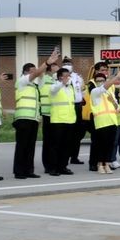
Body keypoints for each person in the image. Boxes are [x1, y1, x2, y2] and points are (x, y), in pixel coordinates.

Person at [13, 50, 59, 179]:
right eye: (33, 71)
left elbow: (37, 101)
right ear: (27, 71)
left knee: (30, 146)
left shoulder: (34, 86)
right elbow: (39, 72)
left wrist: (38, 118)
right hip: (22, 118)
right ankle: (19, 171)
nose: (36, 73)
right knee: (22, 146)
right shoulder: (21, 81)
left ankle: (29, 170)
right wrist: (47, 62)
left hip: (32, 118)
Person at [45, 67, 78, 176]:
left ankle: (63, 166)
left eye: (69, 76)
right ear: (60, 77)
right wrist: (62, 83)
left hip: (70, 120)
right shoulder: (54, 86)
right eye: (66, 76)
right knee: (55, 146)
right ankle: (52, 168)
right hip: (58, 120)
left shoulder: (70, 88)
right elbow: (54, 90)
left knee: (67, 146)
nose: (68, 77)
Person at [89, 71, 120, 174]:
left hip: (112, 121)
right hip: (101, 122)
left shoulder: (110, 92)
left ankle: (107, 164)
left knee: (110, 144)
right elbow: (103, 88)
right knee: (101, 144)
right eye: (98, 81)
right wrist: (116, 77)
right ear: (95, 82)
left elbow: (118, 108)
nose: (100, 82)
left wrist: (113, 102)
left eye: (102, 80)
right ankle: (100, 164)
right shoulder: (95, 91)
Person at [60, 57, 86, 166]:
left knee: (77, 133)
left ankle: (74, 156)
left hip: (78, 106)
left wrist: (83, 98)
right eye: (65, 63)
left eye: (69, 63)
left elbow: (82, 88)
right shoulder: (60, 76)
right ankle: (64, 156)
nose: (67, 65)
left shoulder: (77, 76)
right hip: (68, 106)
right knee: (68, 133)